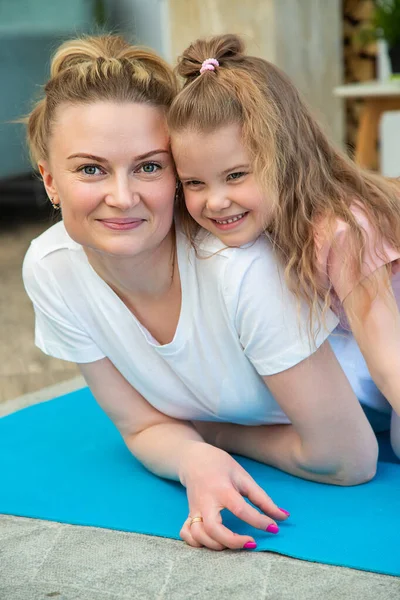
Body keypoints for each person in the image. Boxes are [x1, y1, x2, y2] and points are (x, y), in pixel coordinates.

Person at [22, 34, 377, 553]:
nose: (122, 198)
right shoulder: (52, 269)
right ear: (51, 181)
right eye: (90, 169)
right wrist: (194, 460)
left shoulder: (238, 270)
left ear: (178, 172)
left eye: (149, 166)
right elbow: (142, 425)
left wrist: (214, 436)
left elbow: (348, 458)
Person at [168, 33, 400, 458]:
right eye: (194, 183)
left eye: (236, 175)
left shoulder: (343, 229)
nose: (216, 201)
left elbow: (388, 358)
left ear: (286, 156)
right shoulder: (250, 221)